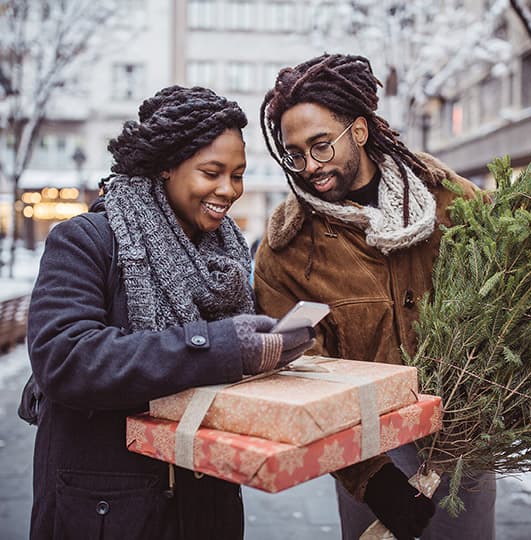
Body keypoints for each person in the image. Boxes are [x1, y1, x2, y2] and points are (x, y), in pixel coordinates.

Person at [27, 85, 315, 540]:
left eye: (238, 175)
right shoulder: (86, 240)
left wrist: (275, 347)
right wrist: (223, 346)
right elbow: (65, 358)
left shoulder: (227, 258)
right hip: (109, 513)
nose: (229, 190)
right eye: (212, 172)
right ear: (166, 165)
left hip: (205, 508)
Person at [254, 54, 496, 540]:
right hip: (367, 452)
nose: (309, 167)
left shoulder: (453, 201)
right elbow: (300, 376)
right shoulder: (287, 252)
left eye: (321, 146)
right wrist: (371, 478)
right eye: (294, 154)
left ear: (359, 131)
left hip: (465, 441)